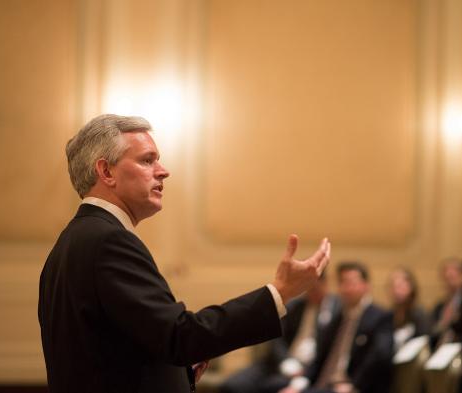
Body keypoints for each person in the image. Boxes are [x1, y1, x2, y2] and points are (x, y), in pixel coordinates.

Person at [38, 114, 331, 393]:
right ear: (106, 171)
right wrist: (280, 292)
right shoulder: (109, 241)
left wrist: (179, 370)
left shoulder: (71, 243)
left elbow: (110, 354)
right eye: (147, 160)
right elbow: (179, 337)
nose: (163, 171)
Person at [279, 262, 394, 393]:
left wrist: (354, 385)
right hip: (325, 384)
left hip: (352, 386)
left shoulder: (379, 317)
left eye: (351, 282)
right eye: (342, 283)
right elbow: (320, 357)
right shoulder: (339, 317)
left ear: (366, 286)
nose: (345, 288)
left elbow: (380, 357)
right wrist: (298, 385)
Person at [220, 274, 338, 393]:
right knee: (233, 385)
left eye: (315, 289)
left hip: (309, 371)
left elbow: (330, 353)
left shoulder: (337, 310)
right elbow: (276, 337)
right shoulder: (295, 306)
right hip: (280, 363)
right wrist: (285, 361)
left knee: (274, 386)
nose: (311, 293)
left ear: (325, 284)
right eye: (308, 289)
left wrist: (304, 375)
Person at [386, 267, 431, 350]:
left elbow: (424, 342)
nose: (396, 291)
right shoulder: (389, 314)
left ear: (411, 287)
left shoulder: (419, 314)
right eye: (393, 287)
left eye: (400, 286)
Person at [431, 258, 462, 348]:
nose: (449, 282)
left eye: (453, 277)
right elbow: (436, 329)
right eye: (446, 278)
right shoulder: (440, 305)